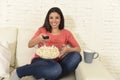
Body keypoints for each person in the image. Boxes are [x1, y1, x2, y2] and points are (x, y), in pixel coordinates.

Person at [11, 7, 82, 80]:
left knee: (76, 56)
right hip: (40, 61)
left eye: (57, 18)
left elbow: (78, 49)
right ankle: (19, 71)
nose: (54, 20)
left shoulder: (66, 33)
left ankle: (46, 76)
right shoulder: (42, 30)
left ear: (61, 19)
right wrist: (39, 39)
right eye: (51, 18)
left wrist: (67, 50)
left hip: (57, 62)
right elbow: (30, 44)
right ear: (48, 19)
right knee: (55, 68)